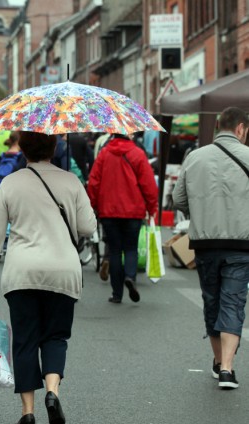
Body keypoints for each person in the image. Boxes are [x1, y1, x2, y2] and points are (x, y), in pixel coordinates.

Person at [0, 131, 96, 424]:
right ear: (54, 147)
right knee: (55, 336)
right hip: (62, 271)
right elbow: (87, 227)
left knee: (25, 340)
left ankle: (28, 412)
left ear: (23, 150)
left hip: (22, 272)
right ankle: (52, 391)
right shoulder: (70, 181)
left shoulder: (10, 184)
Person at [172, 106, 249, 390]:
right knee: (234, 301)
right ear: (241, 129)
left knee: (212, 300)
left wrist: (202, 209)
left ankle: (218, 362)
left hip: (204, 243)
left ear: (218, 127)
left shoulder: (195, 157)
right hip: (242, 244)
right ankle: (228, 369)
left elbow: (178, 199)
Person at [87, 134, 158, 304]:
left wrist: (93, 204)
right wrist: (152, 207)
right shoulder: (138, 154)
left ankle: (116, 293)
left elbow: (94, 182)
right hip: (133, 211)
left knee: (115, 251)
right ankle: (130, 277)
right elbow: (149, 185)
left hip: (109, 211)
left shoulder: (104, 153)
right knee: (131, 248)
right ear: (129, 135)